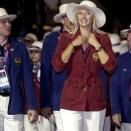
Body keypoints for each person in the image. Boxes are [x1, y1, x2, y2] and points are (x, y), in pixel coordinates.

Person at [52, 2, 116, 131]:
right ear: (75, 16)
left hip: (95, 100)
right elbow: (57, 66)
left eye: (88, 13)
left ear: (93, 17)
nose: (84, 17)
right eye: (80, 13)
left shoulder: (103, 38)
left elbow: (110, 67)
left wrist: (97, 45)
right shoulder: (66, 38)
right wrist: (72, 45)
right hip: (71, 98)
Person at [40, 3, 77, 131]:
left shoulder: (85, 37)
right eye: (68, 16)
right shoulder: (51, 40)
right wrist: (45, 102)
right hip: (59, 98)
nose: (72, 19)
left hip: (83, 98)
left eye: (74, 15)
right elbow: (45, 72)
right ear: (62, 20)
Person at [0, 8, 38, 131]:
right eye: (4, 22)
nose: (9, 24)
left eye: (9, 22)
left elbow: (28, 79)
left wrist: (32, 105)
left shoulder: (19, 47)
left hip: (13, 101)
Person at [24, 41, 51, 131]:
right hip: (29, 110)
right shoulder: (26, 69)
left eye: (36, 51)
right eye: (31, 52)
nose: (33, 54)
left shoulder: (49, 70)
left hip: (45, 112)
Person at [110, 27, 131, 131]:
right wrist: (115, 110)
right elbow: (114, 88)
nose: (129, 39)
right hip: (126, 116)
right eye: (129, 36)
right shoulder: (121, 60)